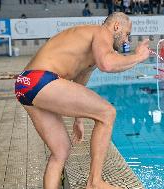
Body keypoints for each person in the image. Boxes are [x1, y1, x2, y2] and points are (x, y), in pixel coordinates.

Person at [14, 12, 149, 189]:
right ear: (117, 26)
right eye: (127, 34)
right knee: (108, 113)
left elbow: (80, 80)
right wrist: (139, 57)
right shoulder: (102, 33)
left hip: (25, 85)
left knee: (60, 152)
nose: (126, 41)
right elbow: (107, 64)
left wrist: (78, 118)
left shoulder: (92, 49)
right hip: (41, 80)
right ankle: (95, 182)